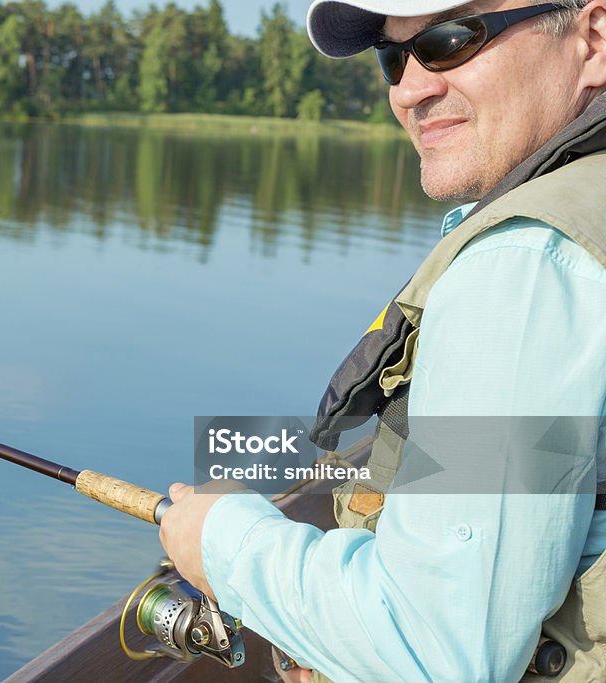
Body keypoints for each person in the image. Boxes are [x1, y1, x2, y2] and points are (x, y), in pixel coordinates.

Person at [159, 0, 606, 680]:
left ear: (594, 39)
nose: (409, 89)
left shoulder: (523, 266)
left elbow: (435, 649)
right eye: (394, 57)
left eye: (453, 40)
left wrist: (220, 540)